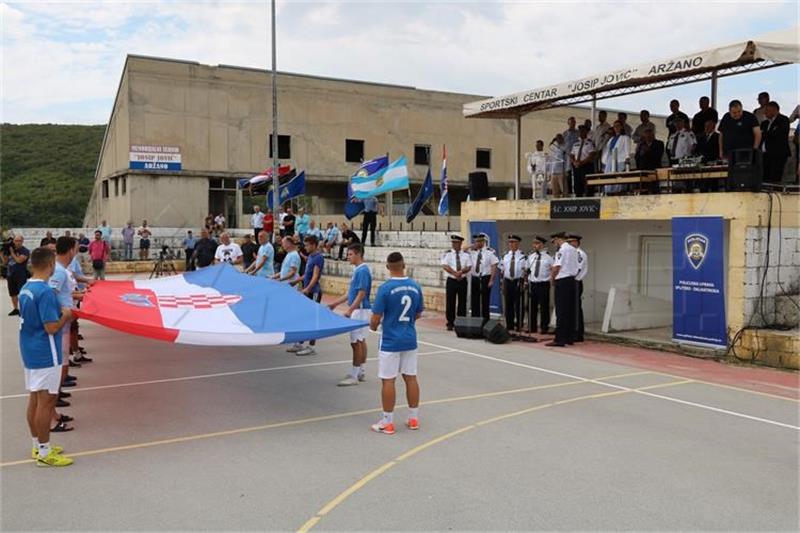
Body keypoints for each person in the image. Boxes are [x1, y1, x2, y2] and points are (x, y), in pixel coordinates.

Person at [18, 246, 74, 466]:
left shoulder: (26, 288)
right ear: (51, 264)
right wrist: (66, 315)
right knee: (46, 401)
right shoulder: (46, 292)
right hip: (45, 352)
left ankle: (37, 445)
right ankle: (44, 452)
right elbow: (51, 327)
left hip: (30, 349)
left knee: (35, 397)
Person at [369, 252, 423, 434]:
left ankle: (388, 421)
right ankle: (413, 418)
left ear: (387, 267)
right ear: (404, 264)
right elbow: (417, 313)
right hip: (409, 337)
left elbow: (375, 319)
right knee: (411, 377)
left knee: (388, 380)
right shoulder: (415, 287)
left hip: (391, 340)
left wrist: (374, 326)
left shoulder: (385, 289)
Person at [49, 236, 81, 428]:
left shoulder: (62, 271)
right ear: (70, 250)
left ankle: (53, 412)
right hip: (59, 328)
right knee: (59, 370)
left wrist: (79, 296)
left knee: (62, 368)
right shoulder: (59, 272)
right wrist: (64, 314)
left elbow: (63, 294)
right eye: (76, 248)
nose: (77, 251)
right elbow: (49, 297)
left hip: (64, 326)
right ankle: (51, 416)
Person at [328, 243, 371, 386]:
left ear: (358, 254)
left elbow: (361, 293)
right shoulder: (359, 270)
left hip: (359, 310)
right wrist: (335, 303)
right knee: (361, 340)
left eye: (350, 254)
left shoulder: (362, 271)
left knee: (356, 343)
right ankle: (361, 371)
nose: (348, 257)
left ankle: (354, 375)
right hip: (360, 309)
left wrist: (351, 310)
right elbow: (351, 293)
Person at [546, 232, 579, 347]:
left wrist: (551, 278)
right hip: (571, 280)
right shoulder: (573, 249)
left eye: (554, 241)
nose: (554, 244)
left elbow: (557, 266)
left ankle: (559, 339)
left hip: (562, 281)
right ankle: (569, 338)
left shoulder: (562, 250)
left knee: (561, 311)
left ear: (557, 239)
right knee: (570, 311)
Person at [293, 235, 325, 356]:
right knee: (304, 317)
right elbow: (307, 274)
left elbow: (315, 276)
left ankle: (311, 346)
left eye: (306, 245)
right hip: (308, 290)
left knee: (313, 318)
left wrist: (307, 289)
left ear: (313, 245)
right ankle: (300, 343)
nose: (305, 247)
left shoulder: (318, 258)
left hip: (314, 292)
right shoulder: (310, 257)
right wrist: (296, 281)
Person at [441, 234, 472, 331]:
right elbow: (445, 266)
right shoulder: (448, 254)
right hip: (452, 280)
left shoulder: (466, 255)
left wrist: (461, 272)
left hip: (462, 280)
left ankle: (460, 321)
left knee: (462, 301)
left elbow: (469, 266)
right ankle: (450, 322)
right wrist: (455, 273)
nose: (454, 245)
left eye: (456, 243)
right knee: (450, 302)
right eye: (453, 243)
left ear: (460, 243)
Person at [468, 233, 498, 324]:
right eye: (476, 241)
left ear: (483, 242)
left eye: (479, 241)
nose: (477, 243)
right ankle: (475, 320)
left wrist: (491, 280)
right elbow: (462, 249)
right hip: (475, 278)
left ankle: (485, 321)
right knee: (475, 301)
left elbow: (494, 265)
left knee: (485, 301)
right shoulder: (472, 252)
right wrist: (472, 246)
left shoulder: (489, 252)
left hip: (485, 277)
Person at [526, 236, 553, 334]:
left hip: (543, 284)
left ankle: (544, 327)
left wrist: (551, 281)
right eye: (534, 243)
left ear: (542, 245)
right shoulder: (531, 256)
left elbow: (552, 270)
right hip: (533, 283)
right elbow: (527, 269)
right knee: (531, 306)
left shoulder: (549, 257)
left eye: (537, 243)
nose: (535, 246)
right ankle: (532, 327)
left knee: (544, 307)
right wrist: (526, 281)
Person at [500, 235, 527, 332]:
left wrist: (525, 282)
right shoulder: (505, 255)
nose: (511, 244)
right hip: (508, 281)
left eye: (513, 242)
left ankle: (519, 325)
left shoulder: (523, 256)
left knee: (519, 304)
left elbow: (525, 271)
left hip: (518, 281)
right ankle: (510, 324)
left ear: (518, 243)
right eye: (510, 242)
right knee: (508, 304)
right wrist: (502, 283)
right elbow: (502, 271)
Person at [761, 101, 791, 184]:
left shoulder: (783, 120)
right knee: (765, 177)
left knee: (775, 178)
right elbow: (761, 136)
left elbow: (778, 134)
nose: (765, 112)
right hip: (765, 155)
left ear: (774, 110)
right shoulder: (764, 123)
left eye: (767, 110)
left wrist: (765, 133)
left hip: (777, 154)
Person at [601, 120, 634, 194]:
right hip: (610, 160)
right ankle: (609, 192)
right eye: (615, 126)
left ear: (621, 127)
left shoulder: (625, 138)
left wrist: (627, 159)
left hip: (620, 160)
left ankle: (618, 192)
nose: (616, 128)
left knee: (618, 178)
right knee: (609, 177)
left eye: (618, 126)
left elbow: (627, 150)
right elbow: (607, 150)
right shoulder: (611, 139)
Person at [569, 234, 588, 342]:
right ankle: (572, 330)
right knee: (571, 308)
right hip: (570, 282)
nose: (570, 244)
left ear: (576, 242)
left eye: (571, 242)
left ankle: (578, 333)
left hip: (575, 281)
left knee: (576, 308)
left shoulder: (579, 254)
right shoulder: (571, 253)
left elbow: (578, 269)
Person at [6, 235, 30, 316]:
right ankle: (16, 309)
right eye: (16, 241)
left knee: (22, 293)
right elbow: (5, 262)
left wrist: (12, 252)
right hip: (10, 274)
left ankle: (23, 310)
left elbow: (19, 260)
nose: (18, 242)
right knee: (13, 293)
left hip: (21, 275)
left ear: (22, 241)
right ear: (13, 242)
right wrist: (2, 253)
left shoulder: (25, 251)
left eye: (19, 241)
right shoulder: (10, 250)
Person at [570, 125, 596, 197]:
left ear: (586, 132)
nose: (581, 133)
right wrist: (574, 161)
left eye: (583, 131)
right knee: (577, 184)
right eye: (580, 131)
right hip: (577, 166)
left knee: (587, 184)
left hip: (586, 166)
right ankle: (578, 197)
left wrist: (581, 162)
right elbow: (571, 155)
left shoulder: (589, 143)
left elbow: (592, 155)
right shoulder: (575, 144)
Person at [562, 117, 579, 194]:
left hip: (576, 157)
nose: (572, 124)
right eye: (571, 122)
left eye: (574, 122)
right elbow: (562, 145)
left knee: (576, 174)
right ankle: (569, 192)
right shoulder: (565, 133)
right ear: (568, 123)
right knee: (568, 175)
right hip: (567, 158)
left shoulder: (578, 133)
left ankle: (577, 191)